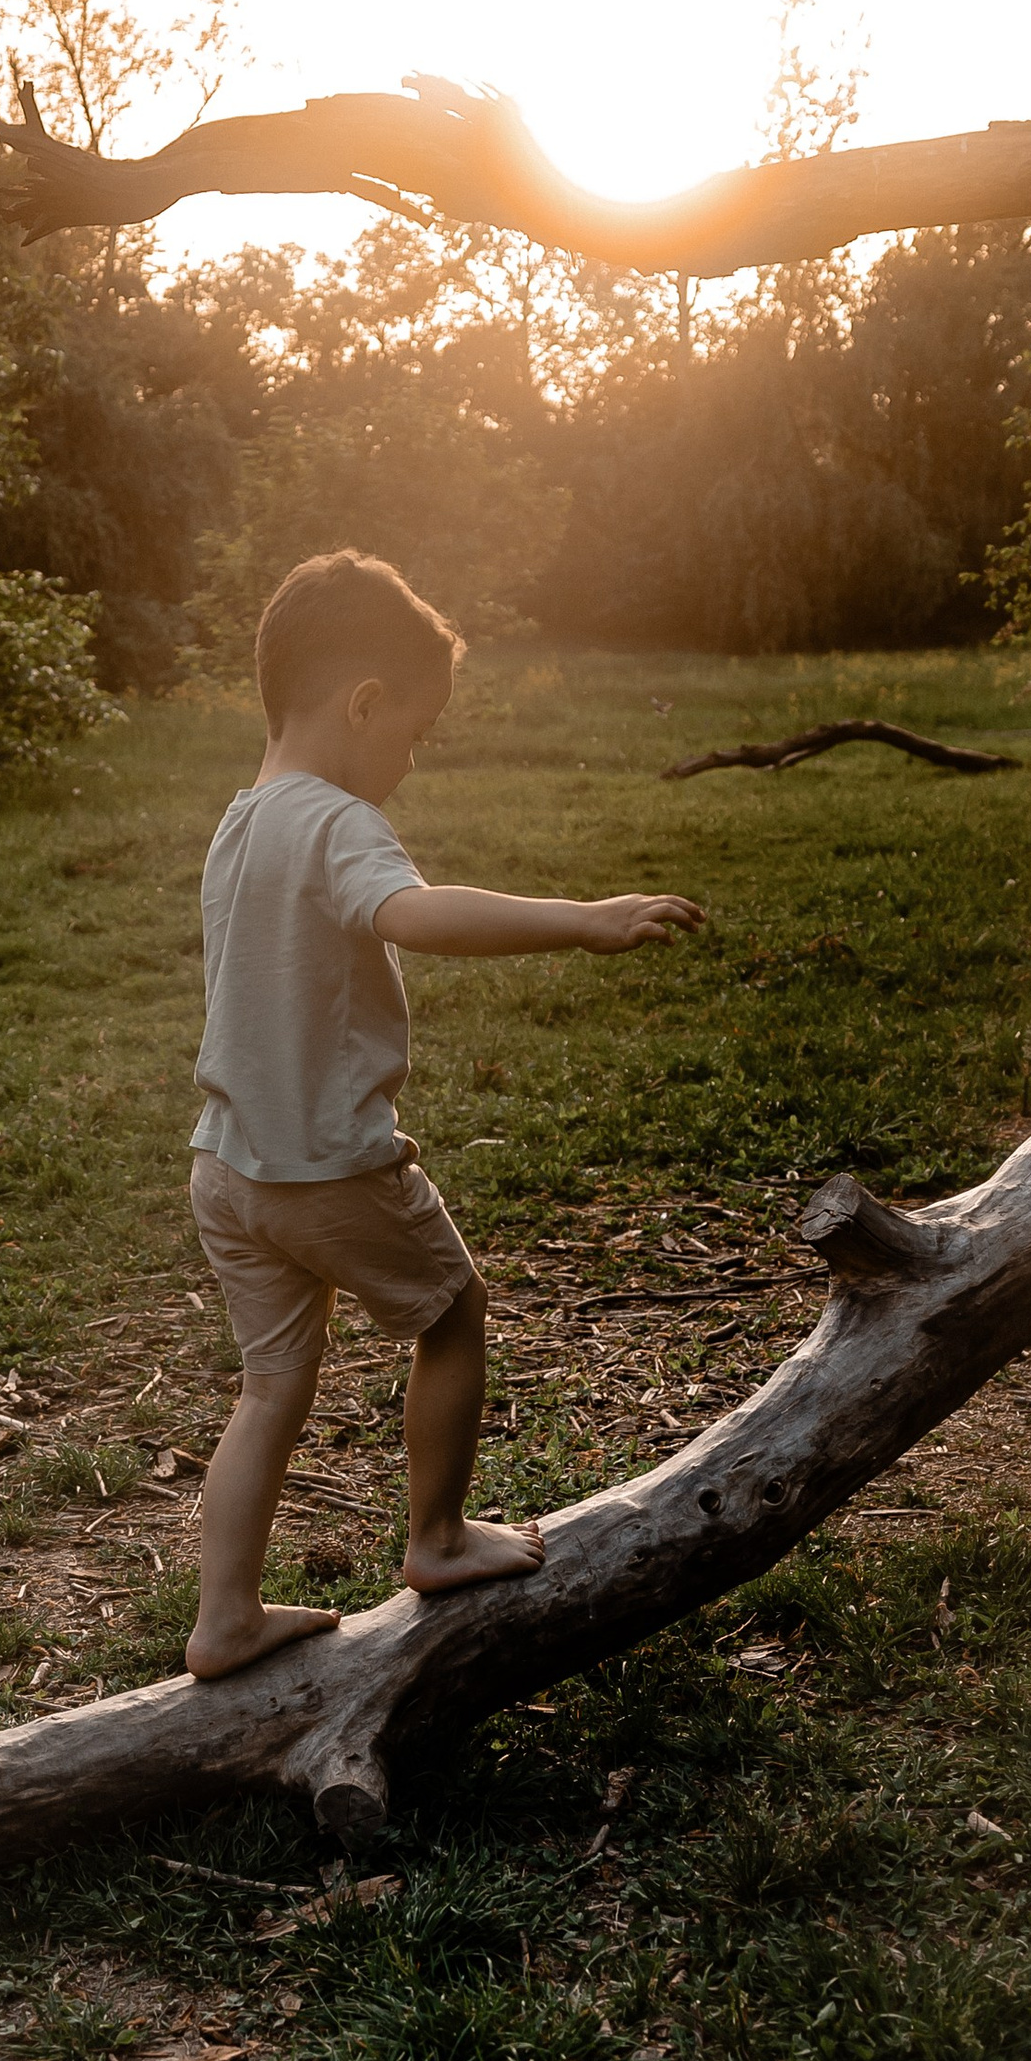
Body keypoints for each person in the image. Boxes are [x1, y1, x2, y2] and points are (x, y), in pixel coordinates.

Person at [185, 550, 705, 1679]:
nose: (412, 759)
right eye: (414, 731)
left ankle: (222, 1618)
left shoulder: (241, 819)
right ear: (363, 704)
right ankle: (434, 1537)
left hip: (227, 1166)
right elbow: (413, 914)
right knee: (453, 1310)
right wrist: (583, 918)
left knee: (270, 1386)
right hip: (325, 1166)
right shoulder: (333, 820)